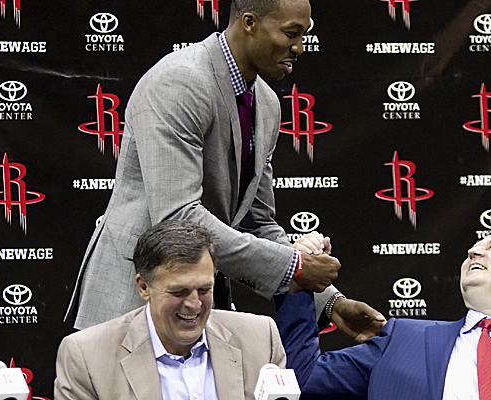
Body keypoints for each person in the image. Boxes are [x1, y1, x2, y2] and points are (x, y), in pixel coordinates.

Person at [64, 0, 384, 340]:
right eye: (291, 33)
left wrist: (331, 303)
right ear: (249, 23)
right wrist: (296, 266)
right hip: (132, 299)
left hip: (195, 307)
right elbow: (177, 219)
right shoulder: (180, 82)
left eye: (305, 35)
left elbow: (257, 222)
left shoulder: (267, 103)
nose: (299, 48)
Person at [276, 225, 491, 399]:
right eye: (474, 247)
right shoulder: (402, 338)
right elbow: (302, 381)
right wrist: (301, 282)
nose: (474, 250)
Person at [55, 220, 286, 400]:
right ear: (144, 287)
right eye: (179, 292)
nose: (194, 304)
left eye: (204, 289)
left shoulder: (260, 339)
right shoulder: (87, 357)